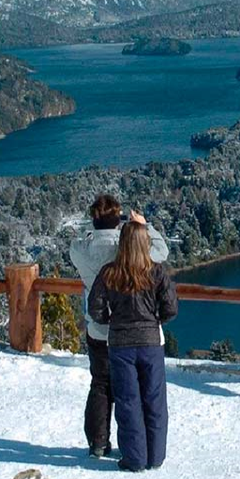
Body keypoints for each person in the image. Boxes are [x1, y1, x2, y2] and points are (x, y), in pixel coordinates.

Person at [69, 194, 168, 459]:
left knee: (100, 384)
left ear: (94, 219)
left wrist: (94, 229)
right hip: (129, 330)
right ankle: (139, 447)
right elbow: (161, 252)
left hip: (98, 326)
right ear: (118, 218)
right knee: (134, 392)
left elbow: (75, 244)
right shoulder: (128, 249)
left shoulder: (81, 250)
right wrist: (143, 226)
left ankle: (98, 443)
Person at [88, 220, 178, 472]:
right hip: (150, 343)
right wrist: (155, 319)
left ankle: (134, 458)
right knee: (154, 400)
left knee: (128, 401)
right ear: (145, 243)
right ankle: (155, 456)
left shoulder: (109, 272)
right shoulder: (157, 272)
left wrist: (111, 320)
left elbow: (94, 308)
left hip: (120, 344)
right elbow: (171, 308)